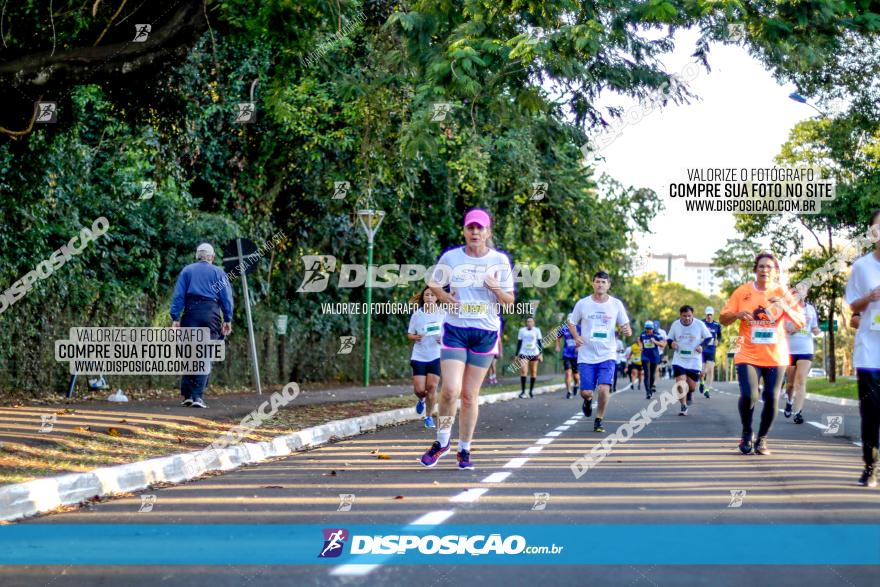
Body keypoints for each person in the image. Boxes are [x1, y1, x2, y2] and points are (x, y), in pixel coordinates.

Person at [420, 209, 515, 470]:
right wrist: (444, 296)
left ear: (487, 233)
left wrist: (494, 287)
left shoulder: (499, 260)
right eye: (470, 228)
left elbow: (509, 301)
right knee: (450, 390)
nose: (475, 232)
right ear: (464, 231)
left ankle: (464, 449)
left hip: (485, 333)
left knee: (470, 395)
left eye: (479, 228)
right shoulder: (451, 257)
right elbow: (433, 282)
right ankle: (441, 442)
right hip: (456, 329)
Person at [720, 252, 804, 455]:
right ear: (755, 269)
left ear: (775, 271)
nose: (765, 270)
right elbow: (723, 318)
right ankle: (747, 432)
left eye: (769, 267)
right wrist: (736, 314)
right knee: (750, 395)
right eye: (761, 266)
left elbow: (800, 322)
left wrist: (784, 306)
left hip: (776, 355)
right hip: (747, 352)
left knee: (771, 397)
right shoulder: (742, 292)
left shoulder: (782, 292)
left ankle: (762, 439)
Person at [170, 243, 233, 409]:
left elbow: (178, 296)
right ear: (211, 257)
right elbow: (226, 298)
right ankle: (198, 396)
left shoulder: (187, 271)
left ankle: (188, 396)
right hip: (210, 314)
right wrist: (227, 319)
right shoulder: (218, 272)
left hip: (190, 313)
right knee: (205, 353)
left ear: (197, 256)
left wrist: (175, 318)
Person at [567, 271, 632, 433]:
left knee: (604, 389)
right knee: (586, 392)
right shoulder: (583, 303)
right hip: (586, 354)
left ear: (608, 285)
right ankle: (587, 401)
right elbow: (571, 323)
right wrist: (576, 337)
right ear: (592, 283)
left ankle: (599, 419)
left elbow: (627, 329)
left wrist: (627, 331)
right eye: (597, 281)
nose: (600, 284)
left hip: (608, 354)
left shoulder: (616, 304)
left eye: (604, 282)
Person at [844, 209, 880, 487]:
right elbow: (852, 307)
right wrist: (869, 297)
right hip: (869, 351)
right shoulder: (861, 267)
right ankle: (870, 466)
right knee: (871, 412)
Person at [407, 287, 446, 428]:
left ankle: (428, 417)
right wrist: (415, 337)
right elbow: (409, 334)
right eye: (427, 295)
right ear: (423, 297)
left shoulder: (443, 314)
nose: (429, 297)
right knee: (419, 390)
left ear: (437, 298)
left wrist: (443, 339)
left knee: (432, 386)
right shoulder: (417, 315)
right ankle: (421, 400)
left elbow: (449, 333)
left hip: (436, 354)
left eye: (432, 295)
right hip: (419, 355)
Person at [667, 305, 713, 416]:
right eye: (684, 316)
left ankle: (689, 393)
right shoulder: (675, 324)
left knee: (692, 387)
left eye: (689, 316)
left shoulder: (699, 324)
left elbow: (708, 337)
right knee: (680, 383)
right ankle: (683, 406)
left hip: (694, 359)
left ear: (692, 315)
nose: (687, 318)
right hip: (679, 359)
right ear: (680, 315)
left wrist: (702, 346)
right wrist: (671, 343)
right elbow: (669, 338)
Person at [782, 299, 821, 424]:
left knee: (801, 381)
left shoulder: (810, 309)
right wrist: (799, 324)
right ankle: (789, 401)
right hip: (790, 350)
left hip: (806, 349)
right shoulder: (787, 308)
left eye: (803, 289)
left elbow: (814, 327)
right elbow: (786, 328)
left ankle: (798, 412)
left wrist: (816, 330)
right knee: (791, 384)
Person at [517, 317, 544, 398]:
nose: (529, 323)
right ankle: (523, 392)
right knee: (523, 371)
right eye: (528, 321)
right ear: (526, 323)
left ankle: (531, 392)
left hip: (534, 353)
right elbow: (519, 342)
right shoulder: (522, 330)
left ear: (533, 323)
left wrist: (541, 354)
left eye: (531, 321)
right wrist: (516, 355)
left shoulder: (537, 330)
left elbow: (539, 343)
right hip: (523, 353)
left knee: (533, 372)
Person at [699, 306, 723, 398]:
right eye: (708, 314)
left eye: (710, 315)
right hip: (703, 349)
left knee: (710, 370)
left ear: (712, 315)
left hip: (712, 349)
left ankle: (707, 389)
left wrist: (718, 341)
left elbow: (720, 335)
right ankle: (701, 381)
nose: (709, 316)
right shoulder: (701, 323)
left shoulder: (717, 325)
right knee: (702, 371)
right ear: (706, 314)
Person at [638, 321, 666, 399]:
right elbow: (639, 340)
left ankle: (650, 388)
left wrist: (654, 341)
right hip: (645, 356)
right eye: (647, 328)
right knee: (647, 374)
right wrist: (640, 346)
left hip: (654, 356)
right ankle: (648, 392)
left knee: (652, 375)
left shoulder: (657, 335)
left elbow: (663, 344)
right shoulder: (643, 334)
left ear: (652, 329)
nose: (648, 330)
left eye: (650, 329)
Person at [556, 322, 581, 398]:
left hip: (576, 355)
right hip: (566, 354)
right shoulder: (564, 328)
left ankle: (576, 384)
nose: (570, 324)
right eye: (569, 323)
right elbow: (558, 336)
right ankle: (569, 391)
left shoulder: (579, 328)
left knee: (576, 375)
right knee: (567, 373)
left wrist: (579, 346)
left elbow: (584, 337)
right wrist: (557, 346)